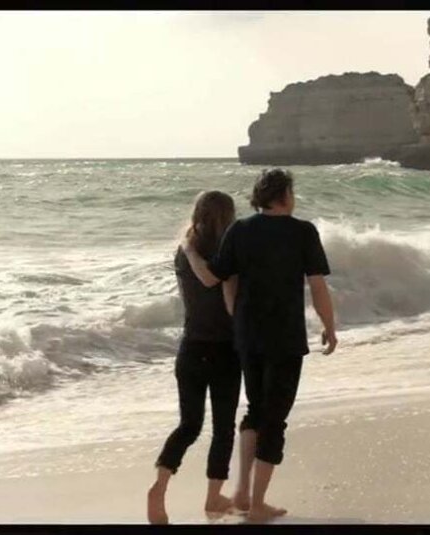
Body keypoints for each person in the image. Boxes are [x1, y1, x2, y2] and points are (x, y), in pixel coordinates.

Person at [182, 168, 337, 522]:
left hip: (247, 337)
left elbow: (212, 277)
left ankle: (242, 493)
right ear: (285, 196)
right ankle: (257, 505)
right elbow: (317, 285)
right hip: (285, 338)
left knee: (255, 410)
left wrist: (190, 249)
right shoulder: (303, 232)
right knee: (275, 418)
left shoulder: (240, 230)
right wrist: (329, 326)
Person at [147, 191, 242, 524]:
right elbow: (224, 295)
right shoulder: (228, 254)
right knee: (223, 428)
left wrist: (188, 247)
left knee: (189, 425)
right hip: (224, 349)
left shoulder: (184, 251)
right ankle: (214, 497)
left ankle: (159, 486)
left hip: (190, 348)